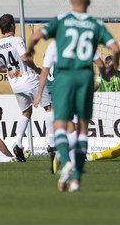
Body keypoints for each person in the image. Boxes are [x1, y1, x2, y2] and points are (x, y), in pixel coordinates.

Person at [26, 0, 120, 192]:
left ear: (71, 1)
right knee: (83, 129)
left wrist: (30, 49)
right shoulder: (95, 25)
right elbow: (114, 50)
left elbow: (35, 37)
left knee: (60, 125)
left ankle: (66, 160)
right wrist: (108, 72)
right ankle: (76, 180)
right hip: (85, 77)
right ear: (89, 3)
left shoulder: (61, 21)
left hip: (65, 77)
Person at [34, 40, 105, 174]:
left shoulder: (52, 47)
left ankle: (69, 160)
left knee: (70, 125)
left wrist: (39, 93)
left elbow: (44, 72)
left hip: (56, 90)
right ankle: (66, 155)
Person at [0, 13, 52, 162]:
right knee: (50, 108)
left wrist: (11, 69)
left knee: (26, 112)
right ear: (13, 25)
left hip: (15, 84)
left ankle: (18, 143)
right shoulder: (17, 40)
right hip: (29, 80)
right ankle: (52, 143)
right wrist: (37, 69)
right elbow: (25, 58)